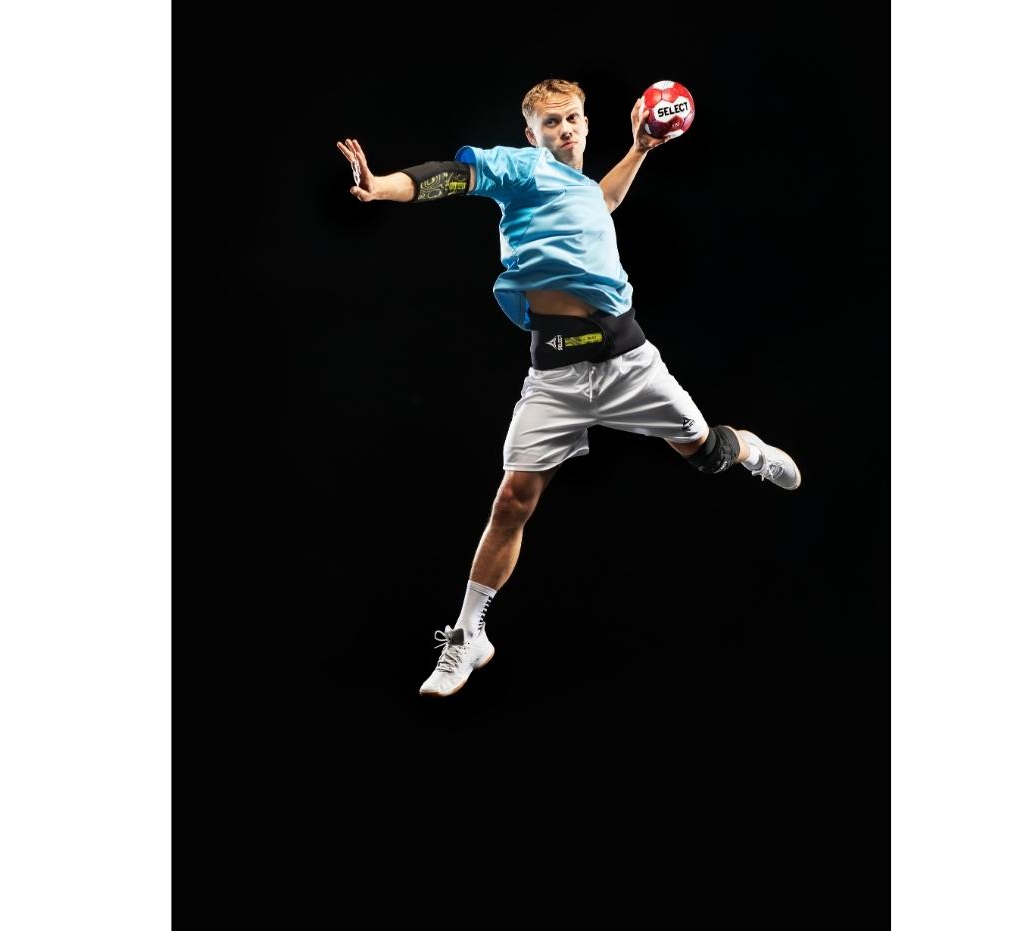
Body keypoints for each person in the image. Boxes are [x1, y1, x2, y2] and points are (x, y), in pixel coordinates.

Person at [336, 78, 800, 698]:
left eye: (573, 118)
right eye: (551, 122)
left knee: (709, 455)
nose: (565, 129)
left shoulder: (582, 190)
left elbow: (601, 202)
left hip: (628, 364)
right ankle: (468, 636)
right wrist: (385, 187)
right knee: (511, 502)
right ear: (530, 134)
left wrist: (639, 149)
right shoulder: (522, 169)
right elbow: (452, 176)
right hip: (556, 376)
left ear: (585, 122)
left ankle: (748, 448)